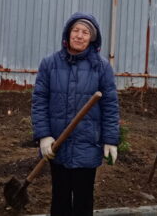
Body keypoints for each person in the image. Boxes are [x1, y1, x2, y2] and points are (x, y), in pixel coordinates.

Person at [31, 12, 120, 216]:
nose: (79, 36)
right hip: (57, 144)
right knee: (60, 199)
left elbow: (110, 105)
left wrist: (110, 140)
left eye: (85, 32)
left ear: (92, 38)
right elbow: (39, 101)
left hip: (86, 144)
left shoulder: (101, 67)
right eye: (76, 31)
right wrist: (43, 136)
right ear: (68, 33)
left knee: (83, 201)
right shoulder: (50, 64)